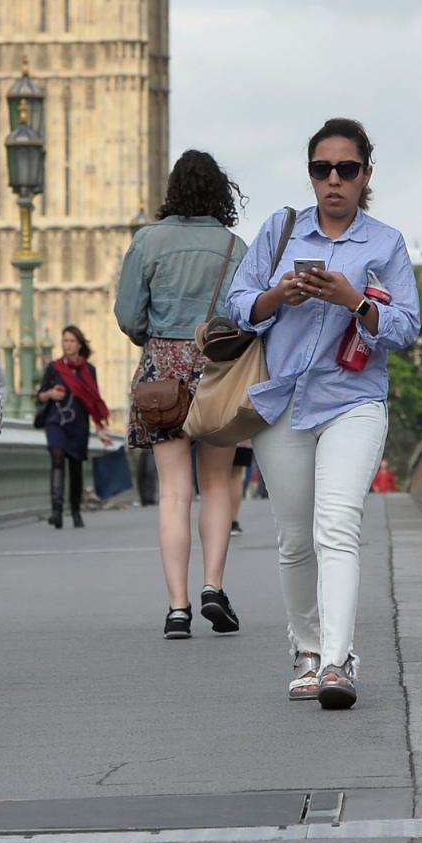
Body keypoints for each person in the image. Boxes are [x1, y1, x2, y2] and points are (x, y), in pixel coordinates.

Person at [222, 117, 420, 709]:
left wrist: (354, 300)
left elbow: (406, 326)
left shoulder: (385, 243)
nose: (334, 180)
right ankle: (306, 650)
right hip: (282, 400)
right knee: (293, 538)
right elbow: (237, 304)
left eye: (347, 169)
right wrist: (279, 296)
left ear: (365, 175)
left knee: (337, 527)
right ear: (311, 175)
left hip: (352, 401)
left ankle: (338, 661)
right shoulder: (280, 233)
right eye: (321, 169)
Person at [115, 148, 248, 639]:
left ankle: (177, 608)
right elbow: (249, 317)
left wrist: (158, 340)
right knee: (216, 484)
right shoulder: (236, 248)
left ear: (173, 191)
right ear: (220, 193)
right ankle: (214, 585)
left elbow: (129, 315)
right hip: (218, 369)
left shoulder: (147, 241)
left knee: (174, 491)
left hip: (163, 375)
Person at [35, 325, 112, 528]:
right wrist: (50, 394)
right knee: (57, 459)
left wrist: (100, 428)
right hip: (56, 422)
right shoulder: (54, 367)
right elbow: (40, 396)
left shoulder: (89, 371)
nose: (67, 345)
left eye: (70, 341)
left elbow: (94, 401)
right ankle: (57, 511)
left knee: (76, 468)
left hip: (78, 424)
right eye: (64, 341)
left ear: (79, 344)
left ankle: (76, 511)